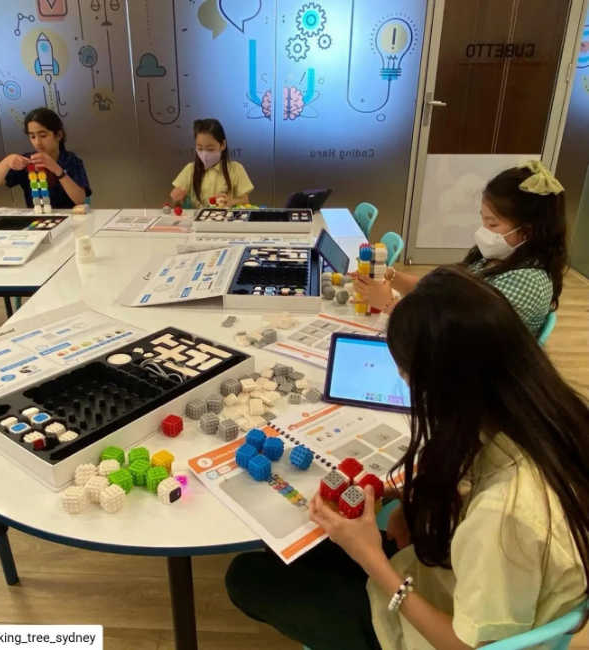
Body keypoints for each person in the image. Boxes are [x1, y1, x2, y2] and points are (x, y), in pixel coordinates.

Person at [226, 267, 589, 650]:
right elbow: (483, 486)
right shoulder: (547, 418)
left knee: (245, 576)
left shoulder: (506, 515)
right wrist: (415, 497)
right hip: (453, 578)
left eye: (406, 374)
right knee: (292, 549)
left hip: (432, 633)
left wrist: (371, 559)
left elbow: (467, 645)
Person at [355, 161, 567, 336]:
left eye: (492, 224)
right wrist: (392, 276)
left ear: (527, 231)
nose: (484, 230)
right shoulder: (496, 260)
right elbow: (439, 297)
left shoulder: (527, 283)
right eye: (483, 220)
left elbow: (452, 337)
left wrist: (389, 304)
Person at [0, 108, 91, 209]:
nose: (37, 142)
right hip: (37, 217)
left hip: (69, 217)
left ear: (58, 135)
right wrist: (7, 161)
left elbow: (80, 200)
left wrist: (57, 170)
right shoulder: (27, 161)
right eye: (32, 136)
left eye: (43, 136)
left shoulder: (71, 161)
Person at [171, 118, 254, 208]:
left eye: (210, 149)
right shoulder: (190, 169)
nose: (204, 154)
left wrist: (231, 201)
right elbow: (177, 205)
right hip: (198, 217)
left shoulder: (236, 169)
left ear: (223, 145)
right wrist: (177, 198)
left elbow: (245, 201)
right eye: (200, 148)